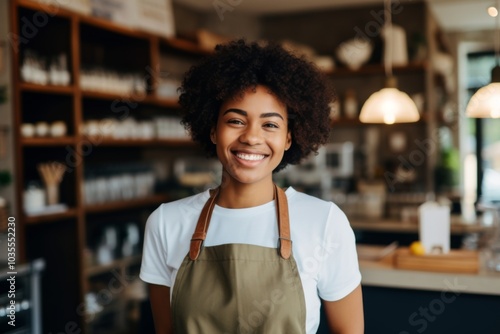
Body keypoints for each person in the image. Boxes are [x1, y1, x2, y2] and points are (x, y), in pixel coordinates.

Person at [140, 39, 363, 334]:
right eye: (235, 120)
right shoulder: (166, 223)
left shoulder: (324, 222)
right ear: (212, 130)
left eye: (270, 125)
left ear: (288, 138)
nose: (251, 137)